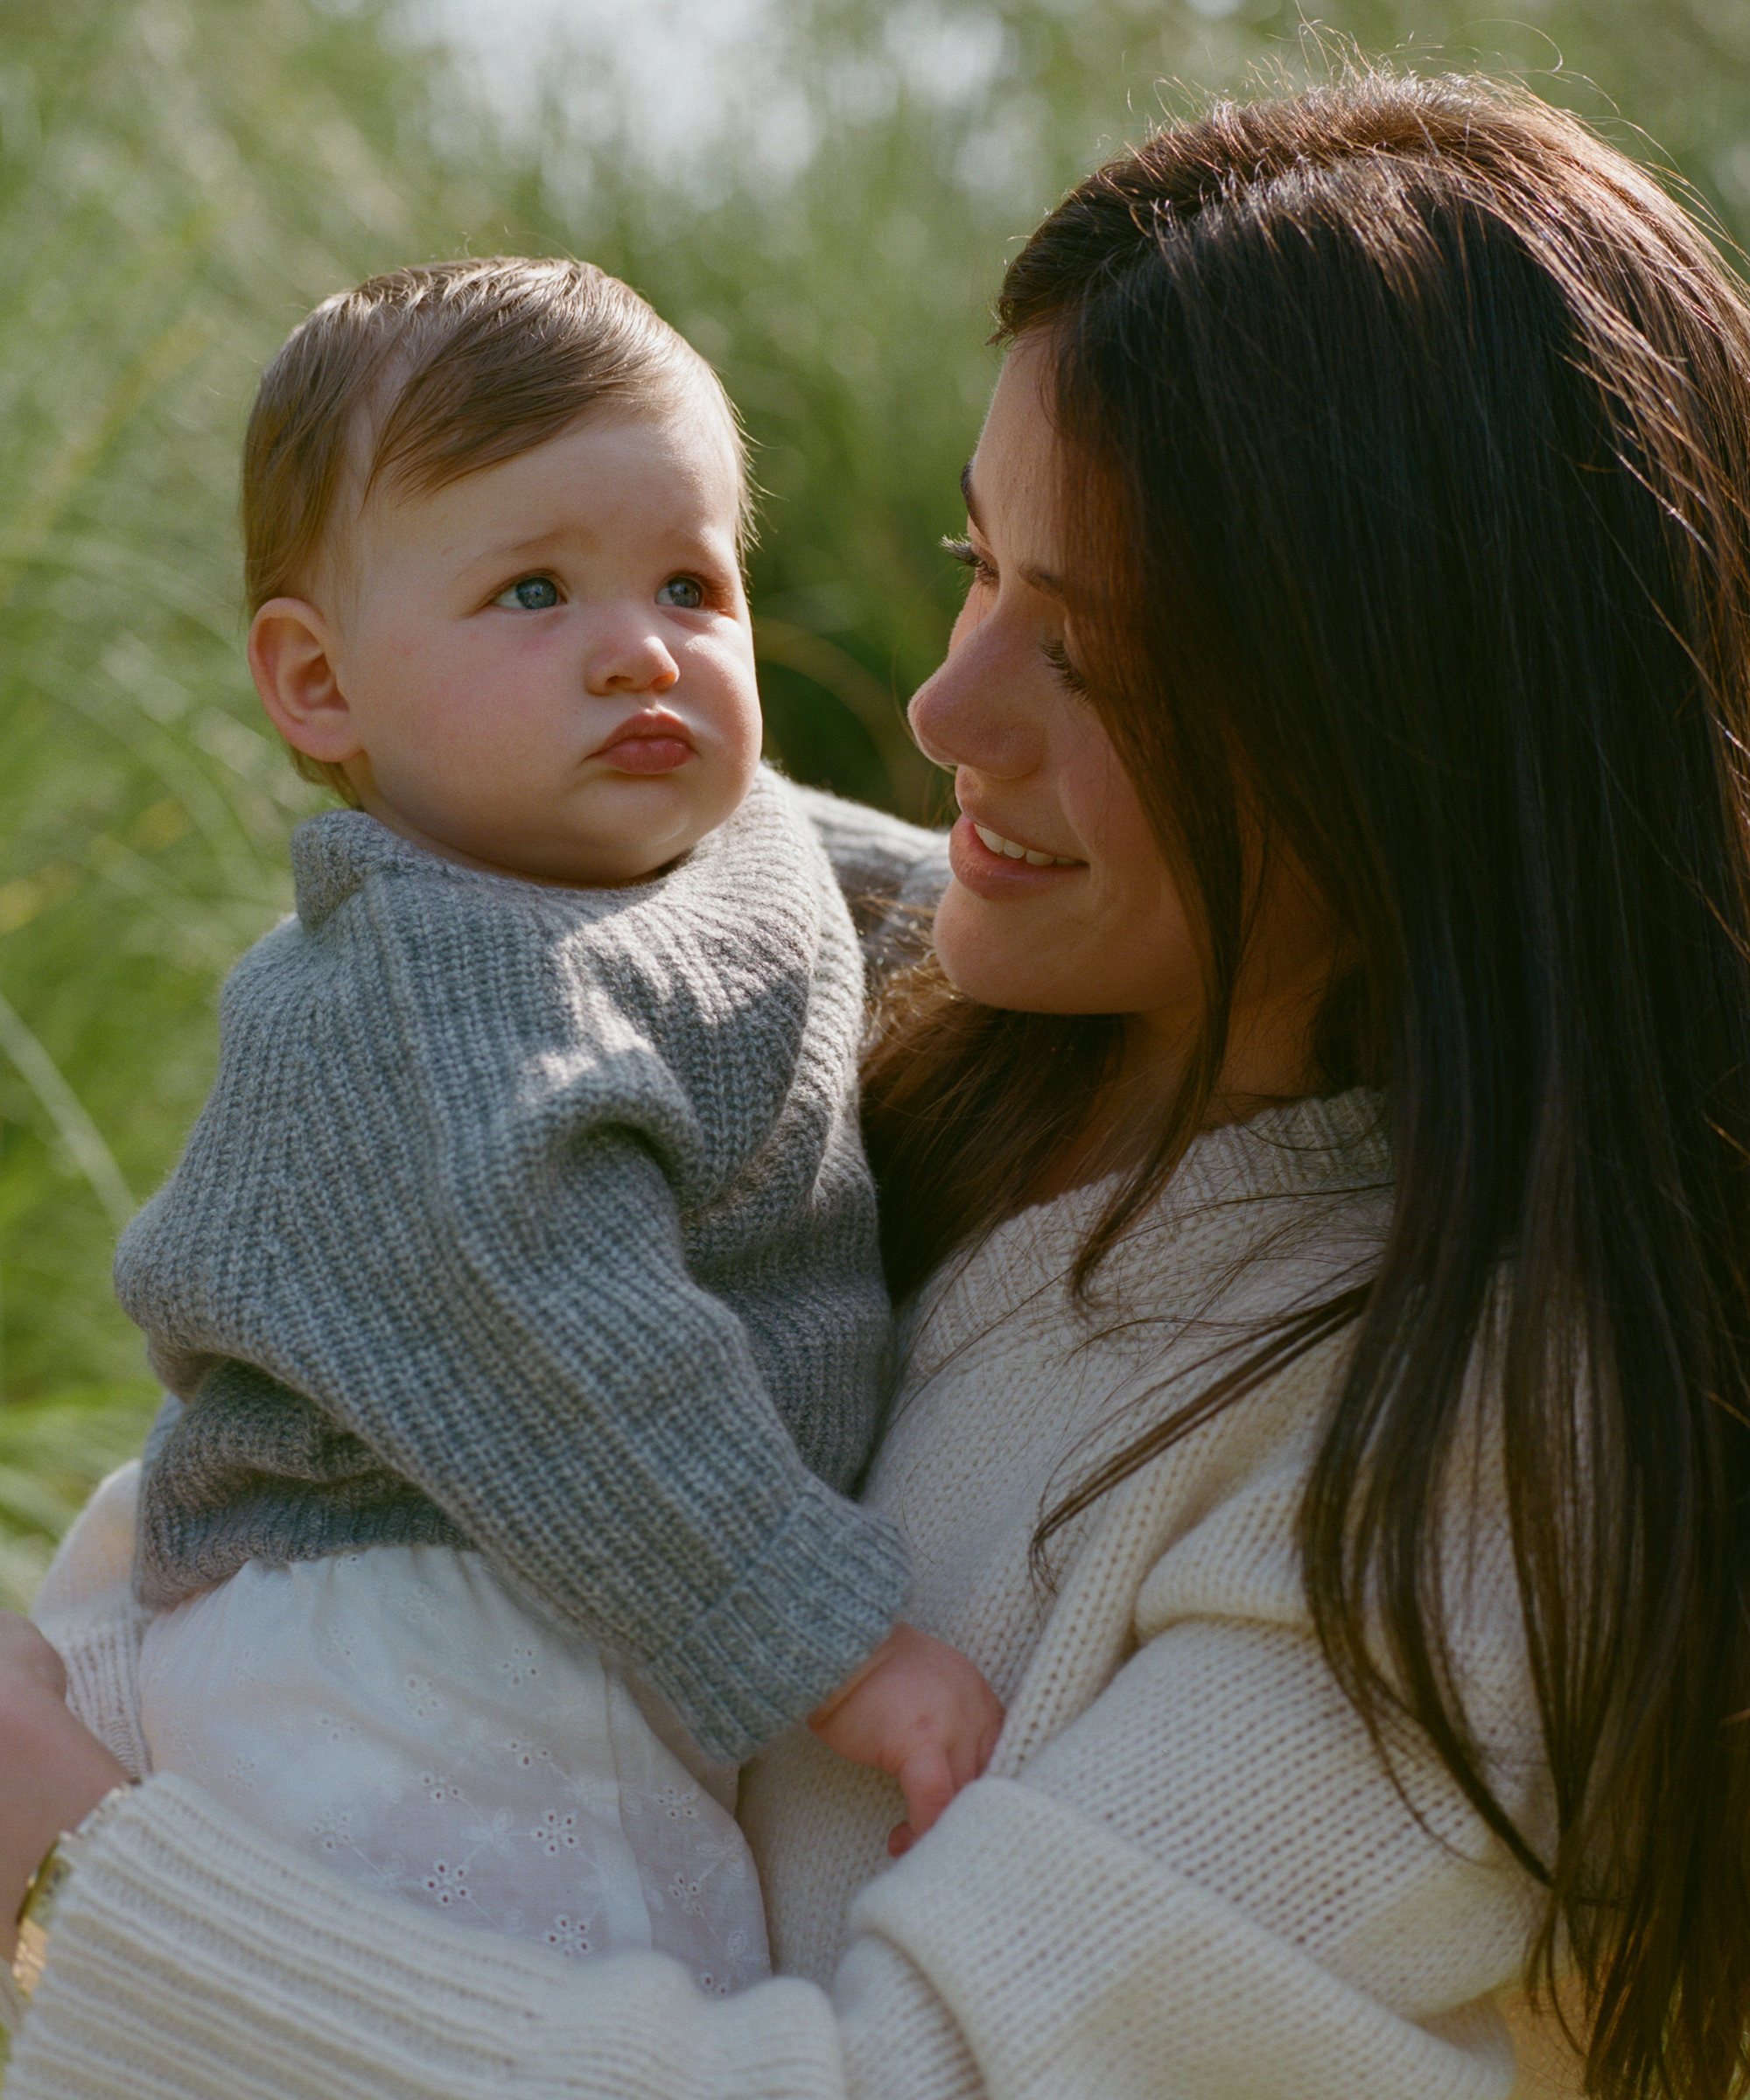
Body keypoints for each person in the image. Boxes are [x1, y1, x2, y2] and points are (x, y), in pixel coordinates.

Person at [2, 61, 1748, 2100]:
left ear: (1420, 745)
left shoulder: (1494, 1477)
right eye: (973, 559)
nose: (941, 707)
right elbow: (416, 1360)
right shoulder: (898, 992)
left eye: (1089, 659)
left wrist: (101, 1862)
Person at [72, 258, 1004, 1993]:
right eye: (529, 591)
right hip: (420, 1625)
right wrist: (842, 1651)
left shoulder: (732, 842)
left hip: (602, 1597)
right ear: (319, 685)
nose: (638, 648)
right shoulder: (420, 998)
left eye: (687, 583)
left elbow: (937, 908)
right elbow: (574, 1361)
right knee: (562, 1995)